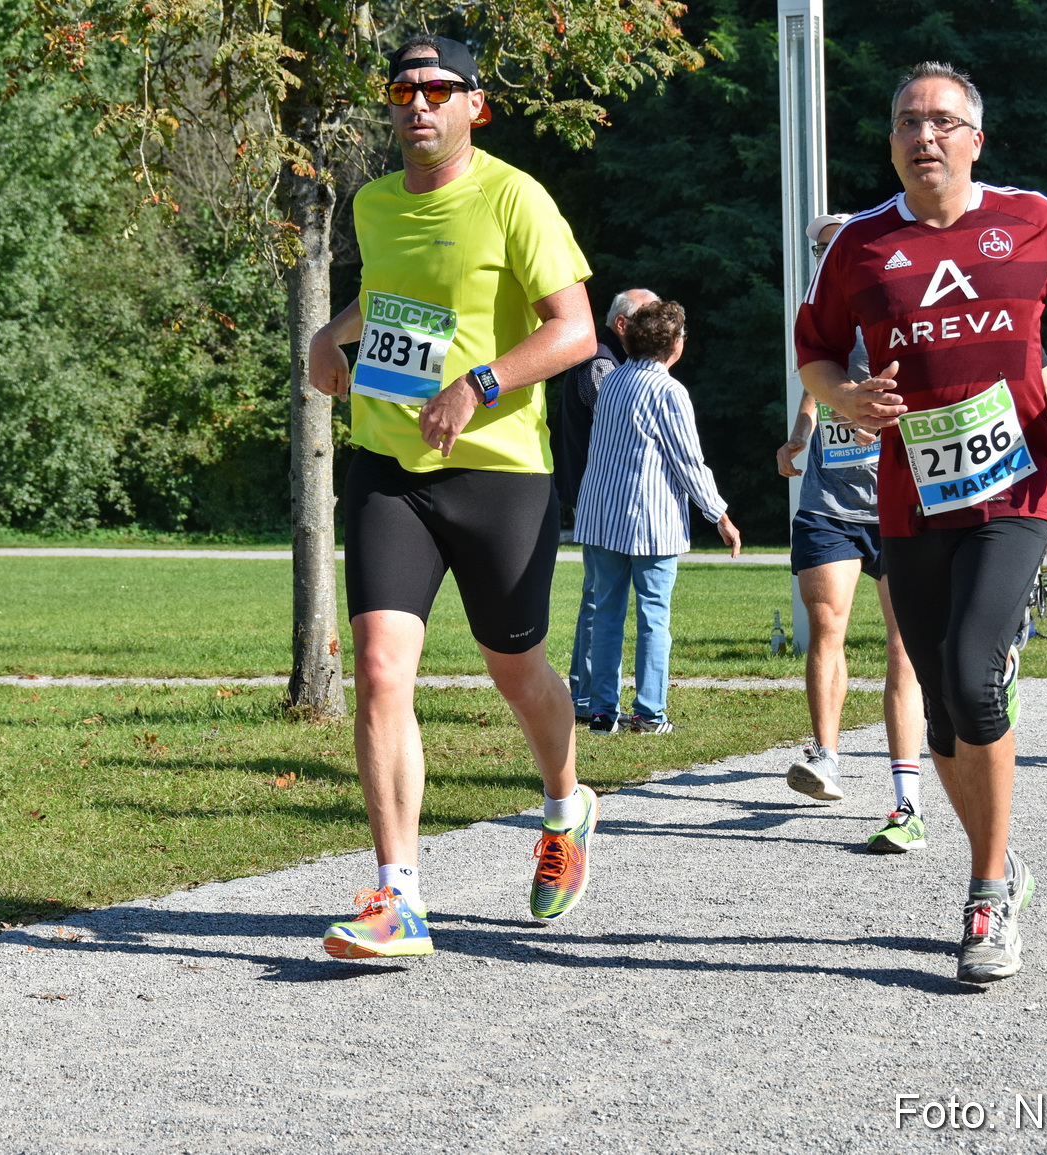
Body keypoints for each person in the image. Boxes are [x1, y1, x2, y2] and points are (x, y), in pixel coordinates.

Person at [794, 61, 1047, 984]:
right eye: (907, 122)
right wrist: (844, 398)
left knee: (977, 679)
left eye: (942, 121)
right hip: (909, 496)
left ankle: (984, 892)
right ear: (891, 141)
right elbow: (813, 348)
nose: (923, 136)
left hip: (1016, 486)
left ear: (975, 139)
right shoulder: (858, 244)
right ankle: (1004, 863)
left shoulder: (1033, 219)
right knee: (941, 704)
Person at [306, 35, 600, 959]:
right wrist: (333, 330)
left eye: (439, 89)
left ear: (477, 105)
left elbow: (576, 331)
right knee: (382, 670)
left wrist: (480, 383)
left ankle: (565, 805)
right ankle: (399, 896)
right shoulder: (373, 202)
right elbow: (395, 295)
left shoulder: (516, 197)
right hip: (390, 467)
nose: (418, 103)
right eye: (403, 88)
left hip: (499, 468)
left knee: (515, 667)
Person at [777, 213, 928, 853]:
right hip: (830, 506)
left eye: (832, 245)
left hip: (898, 505)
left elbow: (931, 394)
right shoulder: (820, 322)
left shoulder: (896, 308)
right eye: (816, 247)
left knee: (904, 648)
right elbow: (814, 395)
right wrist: (798, 439)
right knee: (826, 625)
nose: (823, 255)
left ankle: (906, 802)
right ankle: (827, 756)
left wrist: (886, 423)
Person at [575, 300, 741, 732]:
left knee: (606, 615)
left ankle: (601, 711)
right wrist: (719, 514)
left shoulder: (611, 383)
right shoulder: (669, 391)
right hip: (651, 522)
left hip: (601, 516)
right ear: (673, 344)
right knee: (653, 617)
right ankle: (649, 713)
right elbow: (688, 461)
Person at [562, 289, 659, 722]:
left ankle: (583, 694)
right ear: (623, 324)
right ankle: (585, 698)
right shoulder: (603, 364)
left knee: (597, 597)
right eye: (648, 317)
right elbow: (622, 427)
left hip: (595, 493)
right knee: (600, 601)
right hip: (603, 497)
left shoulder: (603, 359)